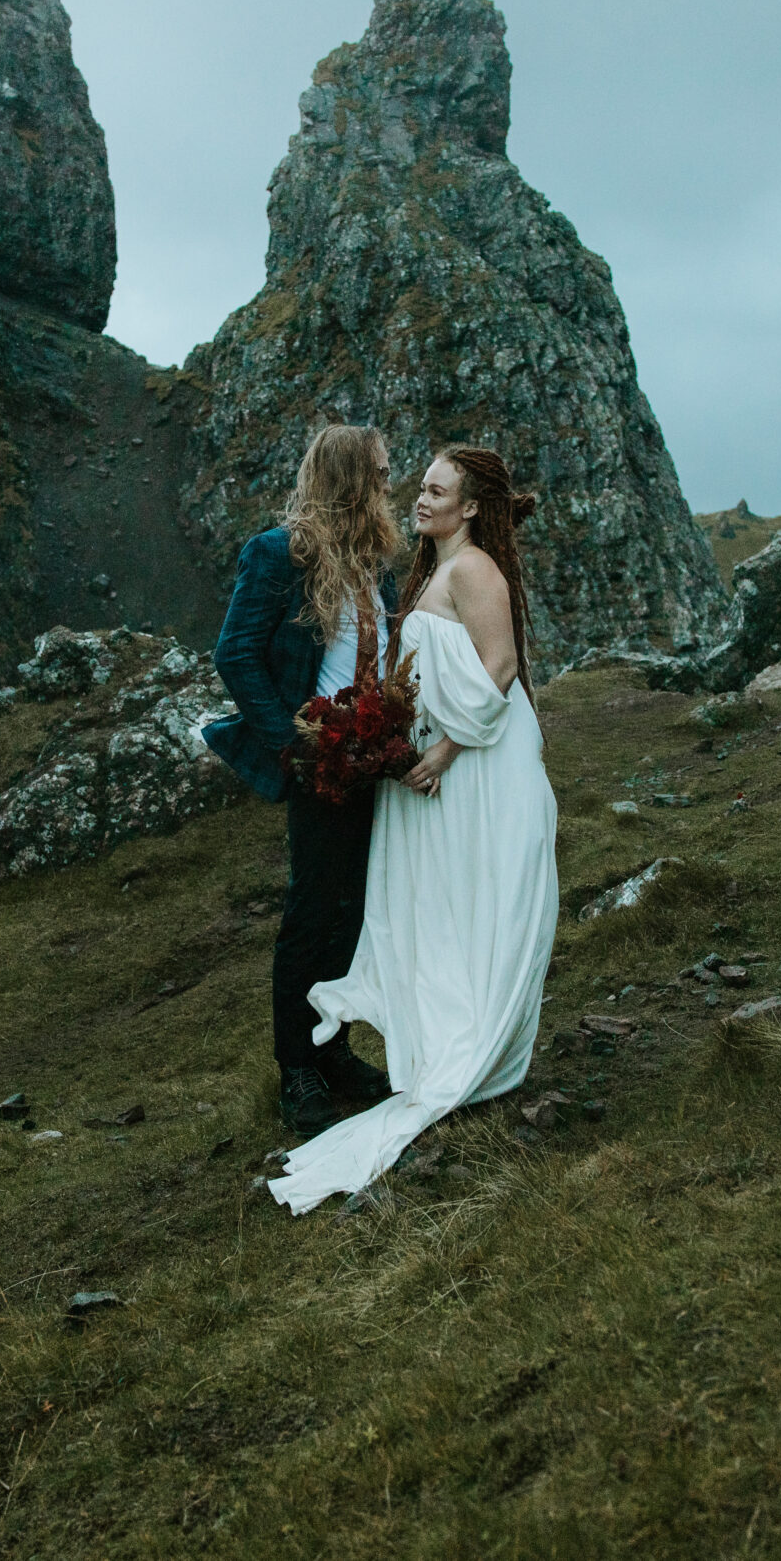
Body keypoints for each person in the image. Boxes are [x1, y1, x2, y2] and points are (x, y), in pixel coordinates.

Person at [267, 444, 560, 1215]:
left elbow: (500, 668)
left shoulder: (474, 569)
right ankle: (438, 1043)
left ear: (471, 507)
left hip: (477, 769)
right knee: (442, 909)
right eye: (420, 486)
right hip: (442, 772)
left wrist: (442, 752)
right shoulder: (429, 573)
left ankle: (477, 1051)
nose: (419, 498)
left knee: (481, 904)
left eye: (436, 490)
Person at [206, 424, 401, 1136]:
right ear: (350, 478)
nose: (389, 483)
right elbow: (234, 653)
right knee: (312, 912)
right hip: (318, 763)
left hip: (370, 766)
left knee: (353, 911)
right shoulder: (279, 554)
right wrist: (294, 745)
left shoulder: (376, 562)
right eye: (380, 472)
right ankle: (297, 1069)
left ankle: (333, 1048)